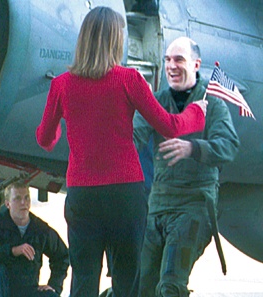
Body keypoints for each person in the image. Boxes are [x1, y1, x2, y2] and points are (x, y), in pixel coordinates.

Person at [35, 7, 207, 297]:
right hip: (126, 195)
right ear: (116, 40)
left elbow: (45, 139)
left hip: (83, 195)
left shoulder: (61, 85)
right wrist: (196, 112)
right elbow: (169, 126)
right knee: (129, 282)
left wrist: (58, 132)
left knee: (84, 280)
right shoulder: (129, 80)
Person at [133, 36, 240, 296]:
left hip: (194, 205)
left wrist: (192, 149)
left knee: (170, 285)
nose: (171, 66)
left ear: (195, 65)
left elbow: (228, 146)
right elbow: (133, 137)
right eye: (167, 60)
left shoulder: (213, 104)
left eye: (179, 60)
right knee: (140, 287)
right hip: (158, 205)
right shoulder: (155, 101)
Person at [0, 181, 69, 297]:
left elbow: (62, 256)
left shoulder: (40, 229)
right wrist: (12, 251)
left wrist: (54, 285)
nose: (23, 203)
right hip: (1, 289)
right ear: (7, 204)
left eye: (26, 198)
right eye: (17, 199)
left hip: (28, 290)